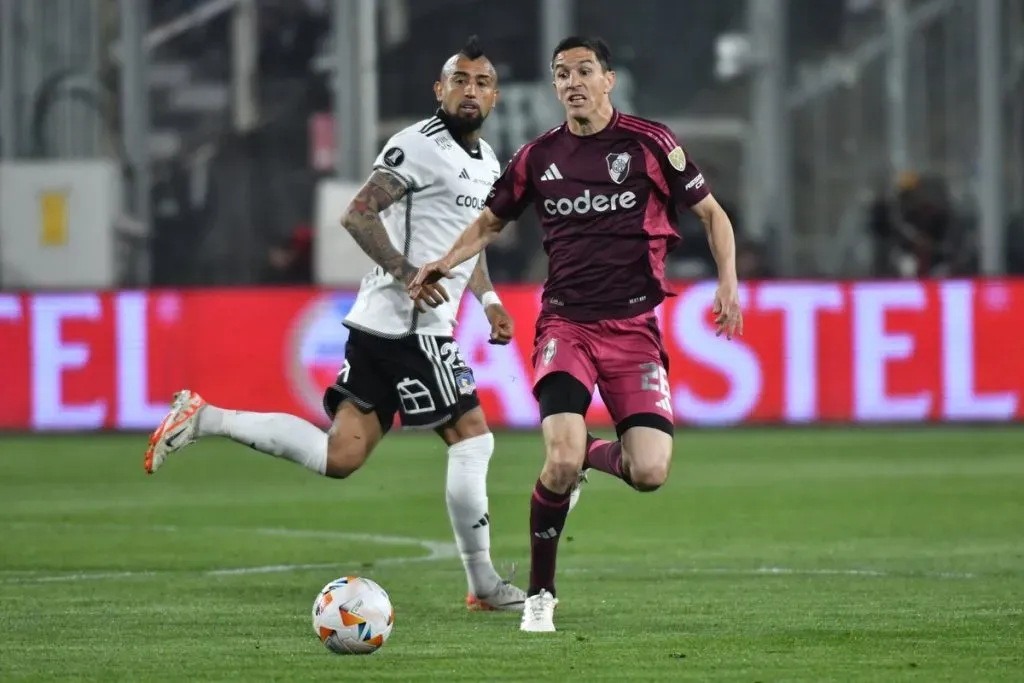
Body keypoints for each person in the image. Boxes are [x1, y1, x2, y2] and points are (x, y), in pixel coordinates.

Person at [144, 36, 528, 613]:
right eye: (459, 80)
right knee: (472, 437)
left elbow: (466, 242)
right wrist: (404, 274)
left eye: (480, 83)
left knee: (340, 457)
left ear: (494, 96)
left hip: (388, 325)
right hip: (409, 325)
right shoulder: (416, 146)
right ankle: (484, 587)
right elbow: (358, 213)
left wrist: (490, 298)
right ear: (439, 89)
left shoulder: (488, 161)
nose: (469, 91)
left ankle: (206, 418)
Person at [410, 36, 743, 633]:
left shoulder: (650, 143)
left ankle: (590, 457)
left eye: (584, 71)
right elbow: (488, 221)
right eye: (561, 74)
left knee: (649, 473)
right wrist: (442, 262)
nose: (572, 82)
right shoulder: (538, 157)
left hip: (635, 332)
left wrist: (728, 283)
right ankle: (541, 594)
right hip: (566, 325)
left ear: (608, 80)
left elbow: (712, 214)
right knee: (557, 461)